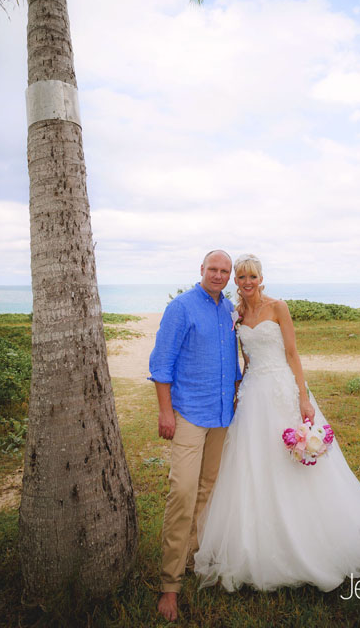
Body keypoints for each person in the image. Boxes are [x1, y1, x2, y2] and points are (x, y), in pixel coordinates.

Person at [193, 253, 360, 593]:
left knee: (294, 463)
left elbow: (292, 354)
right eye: (241, 277)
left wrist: (303, 396)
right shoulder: (237, 313)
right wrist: (236, 390)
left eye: (252, 277)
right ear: (236, 281)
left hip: (282, 391)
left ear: (261, 278)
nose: (247, 282)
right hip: (253, 393)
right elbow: (244, 360)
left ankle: (313, 536)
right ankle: (257, 542)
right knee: (253, 465)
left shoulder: (279, 307)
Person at [148, 249, 242, 622]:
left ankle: (195, 558)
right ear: (201, 270)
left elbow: (234, 361)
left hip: (222, 415)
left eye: (225, 271)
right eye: (213, 269)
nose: (218, 275)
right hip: (189, 413)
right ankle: (169, 584)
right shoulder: (182, 308)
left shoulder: (228, 309)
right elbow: (161, 363)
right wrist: (165, 411)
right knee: (183, 493)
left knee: (207, 490)